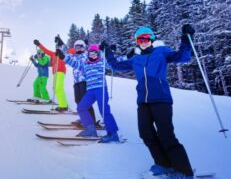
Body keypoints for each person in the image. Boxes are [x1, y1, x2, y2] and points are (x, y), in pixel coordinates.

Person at [103, 25, 195, 178]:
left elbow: (183, 57)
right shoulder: (136, 58)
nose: (143, 41)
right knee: (145, 134)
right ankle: (164, 164)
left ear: (151, 39)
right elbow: (116, 66)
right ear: (137, 41)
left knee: (166, 135)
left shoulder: (161, 52)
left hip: (161, 99)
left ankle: (185, 172)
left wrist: (187, 38)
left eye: (146, 38)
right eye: (140, 39)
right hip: (143, 102)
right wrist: (108, 52)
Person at [56, 44, 119, 143]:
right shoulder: (85, 65)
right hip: (90, 91)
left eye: (95, 53)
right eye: (91, 53)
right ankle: (90, 129)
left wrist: (110, 51)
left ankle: (113, 133)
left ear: (98, 54)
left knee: (104, 110)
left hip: (101, 89)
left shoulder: (102, 62)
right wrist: (63, 57)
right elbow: (74, 63)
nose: (93, 55)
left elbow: (115, 63)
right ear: (88, 54)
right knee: (81, 107)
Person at [56, 38, 99, 128]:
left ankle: (92, 122)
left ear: (84, 48)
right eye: (77, 47)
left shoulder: (86, 55)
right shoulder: (74, 56)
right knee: (78, 101)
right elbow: (66, 53)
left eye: (80, 47)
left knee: (85, 102)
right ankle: (84, 118)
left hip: (84, 81)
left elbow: (96, 53)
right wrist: (61, 44)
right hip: (76, 82)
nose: (78, 49)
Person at [33, 38, 68, 112]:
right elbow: (45, 50)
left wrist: (61, 42)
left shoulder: (63, 54)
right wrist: (38, 44)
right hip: (55, 72)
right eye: (56, 47)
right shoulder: (53, 54)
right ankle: (64, 103)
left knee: (58, 88)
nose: (57, 48)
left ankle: (63, 105)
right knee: (55, 89)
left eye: (58, 47)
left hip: (60, 71)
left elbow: (69, 51)